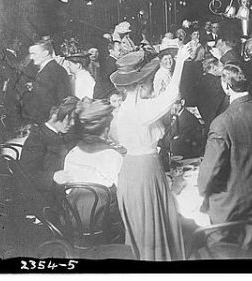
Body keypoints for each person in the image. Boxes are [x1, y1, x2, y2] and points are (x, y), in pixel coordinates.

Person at [109, 46, 191, 261]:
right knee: (153, 222)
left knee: (144, 225)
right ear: (141, 85)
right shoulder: (139, 110)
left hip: (132, 170)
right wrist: (181, 61)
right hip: (144, 171)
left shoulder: (127, 108)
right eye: (150, 80)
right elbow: (172, 94)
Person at [197, 64, 252, 251]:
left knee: (220, 248)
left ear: (226, 85)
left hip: (230, 203)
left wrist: (202, 189)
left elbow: (210, 171)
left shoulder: (221, 123)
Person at [53, 99, 125, 236]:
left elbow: (68, 190)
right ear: (107, 129)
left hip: (72, 221)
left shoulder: (72, 153)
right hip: (105, 224)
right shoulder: (113, 156)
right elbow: (123, 196)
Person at [19, 96, 80, 194]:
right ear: (54, 115)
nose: (72, 123)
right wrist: (53, 177)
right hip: (45, 195)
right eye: (69, 118)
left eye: (74, 119)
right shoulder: (37, 139)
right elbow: (26, 174)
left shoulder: (59, 134)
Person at [21, 39, 72, 124]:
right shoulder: (53, 68)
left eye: (34, 53)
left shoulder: (49, 72)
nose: (31, 57)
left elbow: (43, 105)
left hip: (48, 121)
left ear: (45, 53)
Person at [196, 57, 228, 128]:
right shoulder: (219, 83)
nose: (223, 69)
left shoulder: (200, 81)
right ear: (214, 67)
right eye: (221, 66)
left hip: (207, 121)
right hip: (220, 121)